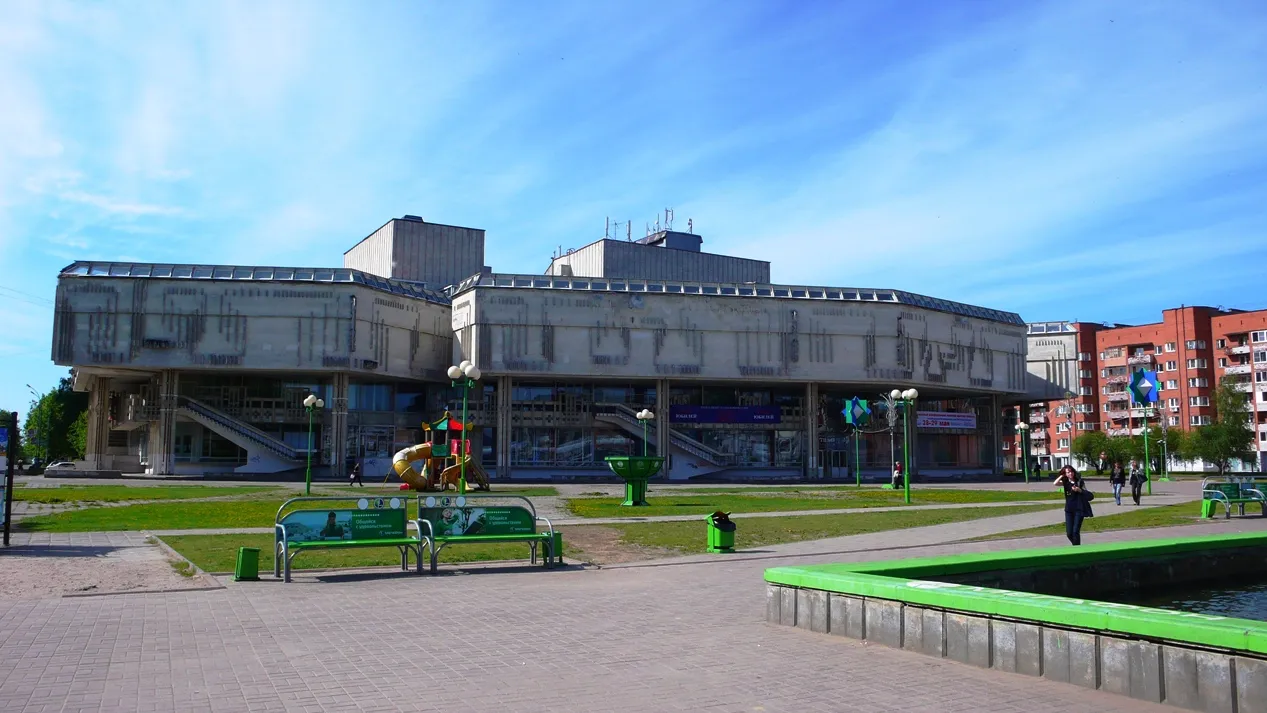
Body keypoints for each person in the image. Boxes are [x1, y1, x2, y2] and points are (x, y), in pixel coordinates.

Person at [1055, 465, 1089, 546]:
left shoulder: (1079, 482)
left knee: (1075, 532)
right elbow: (1055, 483)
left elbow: (1087, 493)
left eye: (1071, 471)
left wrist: (1079, 490)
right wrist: (1061, 476)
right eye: (1068, 472)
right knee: (1069, 533)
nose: (1070, 473)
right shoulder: (1065, 482)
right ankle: (1077, 547)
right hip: (1069, 510)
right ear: (1065, 474)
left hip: (1079, 509)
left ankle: (1077, 549)